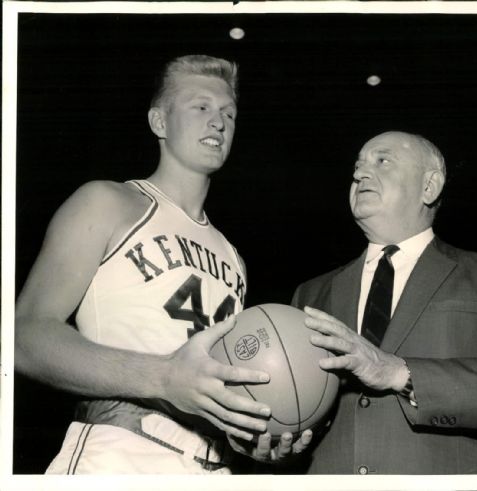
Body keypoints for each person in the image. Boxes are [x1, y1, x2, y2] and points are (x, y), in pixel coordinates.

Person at [15, 54, 310, 474]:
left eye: (228, 112)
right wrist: (163, 378)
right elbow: (24, 336)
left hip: (215, 469)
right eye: (201, 106)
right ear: (159, 122)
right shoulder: (108, 202)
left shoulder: (233, 257)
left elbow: (210, 384)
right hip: (120, 453)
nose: (219, 121)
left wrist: (253, 433)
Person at [291, 130, 477, 474]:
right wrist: (277, 446)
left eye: (382, 160)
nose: (359, 174)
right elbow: (297, 417)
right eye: (357, 167)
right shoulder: (311, 294)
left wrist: (398, 372)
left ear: (429, 186)